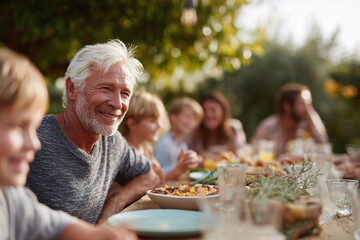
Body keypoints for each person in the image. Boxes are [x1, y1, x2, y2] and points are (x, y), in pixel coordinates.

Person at [0, 48, 137, 240]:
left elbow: (56, 224)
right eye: (18, 126)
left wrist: (105, 231)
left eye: (125, 93)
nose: (34, 143)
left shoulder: (9, 199)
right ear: (72, 89)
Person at [26, 39, 163, 225]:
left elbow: (151, 175)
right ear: (72, 89)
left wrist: (114, 205)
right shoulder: (30, 138)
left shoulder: (113, 142)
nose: (117, 103)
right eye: (106, 88)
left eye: (125, 93)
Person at [119, 92, 200, 181]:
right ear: (132, 123)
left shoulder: (147, 148)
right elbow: (146, 183)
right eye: (152, 121)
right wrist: (179, 168)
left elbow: (158, 179)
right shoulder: (124, 154)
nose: (160, 126)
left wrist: (180, 165)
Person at [250, 83, 328, 155]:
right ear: (286, 106)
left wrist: (314, 118)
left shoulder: (308, 125)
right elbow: (252, 151)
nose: (308, 109)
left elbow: (324, 147)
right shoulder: (269, 125)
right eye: (302, 104)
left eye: (309, 104)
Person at [154, 97, 203, 179]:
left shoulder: (182, 144)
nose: (191, 122)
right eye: (187, 116)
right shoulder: (164, 143)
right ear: (173, 117)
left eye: (195, 119)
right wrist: (180, 165)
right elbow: (158, 173)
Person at [188, 91, 246, 158]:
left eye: (213, 110)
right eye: (204, 110)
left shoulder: (234, 127)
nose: (208, 114)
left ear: (223, 112)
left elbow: (240, 154)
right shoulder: (194, 131)